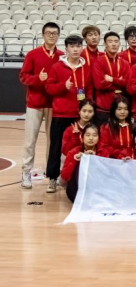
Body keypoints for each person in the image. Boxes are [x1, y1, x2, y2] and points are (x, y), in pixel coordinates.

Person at [45, 34, 92, 194]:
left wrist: (87, 109)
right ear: (66, 49)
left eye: (78, 46)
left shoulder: (86, 68)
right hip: (61, 114)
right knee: (56, 147)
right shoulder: (57, 67)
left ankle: (75, 178)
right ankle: (52, 178)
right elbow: (49, 88)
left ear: (82, 48)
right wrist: (62, 86)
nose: (75, 49)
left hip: (80, 116)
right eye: (72, 46)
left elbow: (89, 90)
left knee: (80, 146)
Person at [19, 22, 63, 189]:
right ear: (43, 35)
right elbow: (23, 77)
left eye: (54, 33)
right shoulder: (32, 54)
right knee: (30, 141)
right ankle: (26, 172)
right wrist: (38, 78)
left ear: (58, 36)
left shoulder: (62, 56)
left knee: (53, 142)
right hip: (35, 103)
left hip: (54, 104)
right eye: (48, 33)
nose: (51, 35)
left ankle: (52, 174)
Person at [61, 124, 107, 203]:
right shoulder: (73, 152)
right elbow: (65, 176)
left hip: (97, 188)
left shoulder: (103, 152)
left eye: (94, 135)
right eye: (88, 135)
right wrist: (76, 160)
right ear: (82, 137)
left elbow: (106, 175)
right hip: (77, 188)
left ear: (99, 138)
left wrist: (95, 159)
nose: (91, 138)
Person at [92, 31, 130, 124]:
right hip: (103, 109)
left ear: (119, 44)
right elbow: (99, 85)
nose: (113, 44)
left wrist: (112, 79)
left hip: (121, 109)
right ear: (105, 44)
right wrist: (119, 84)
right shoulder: (98, 62)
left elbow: (127, 83)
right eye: (110, 41)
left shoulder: (125, 63)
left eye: (116, 41)